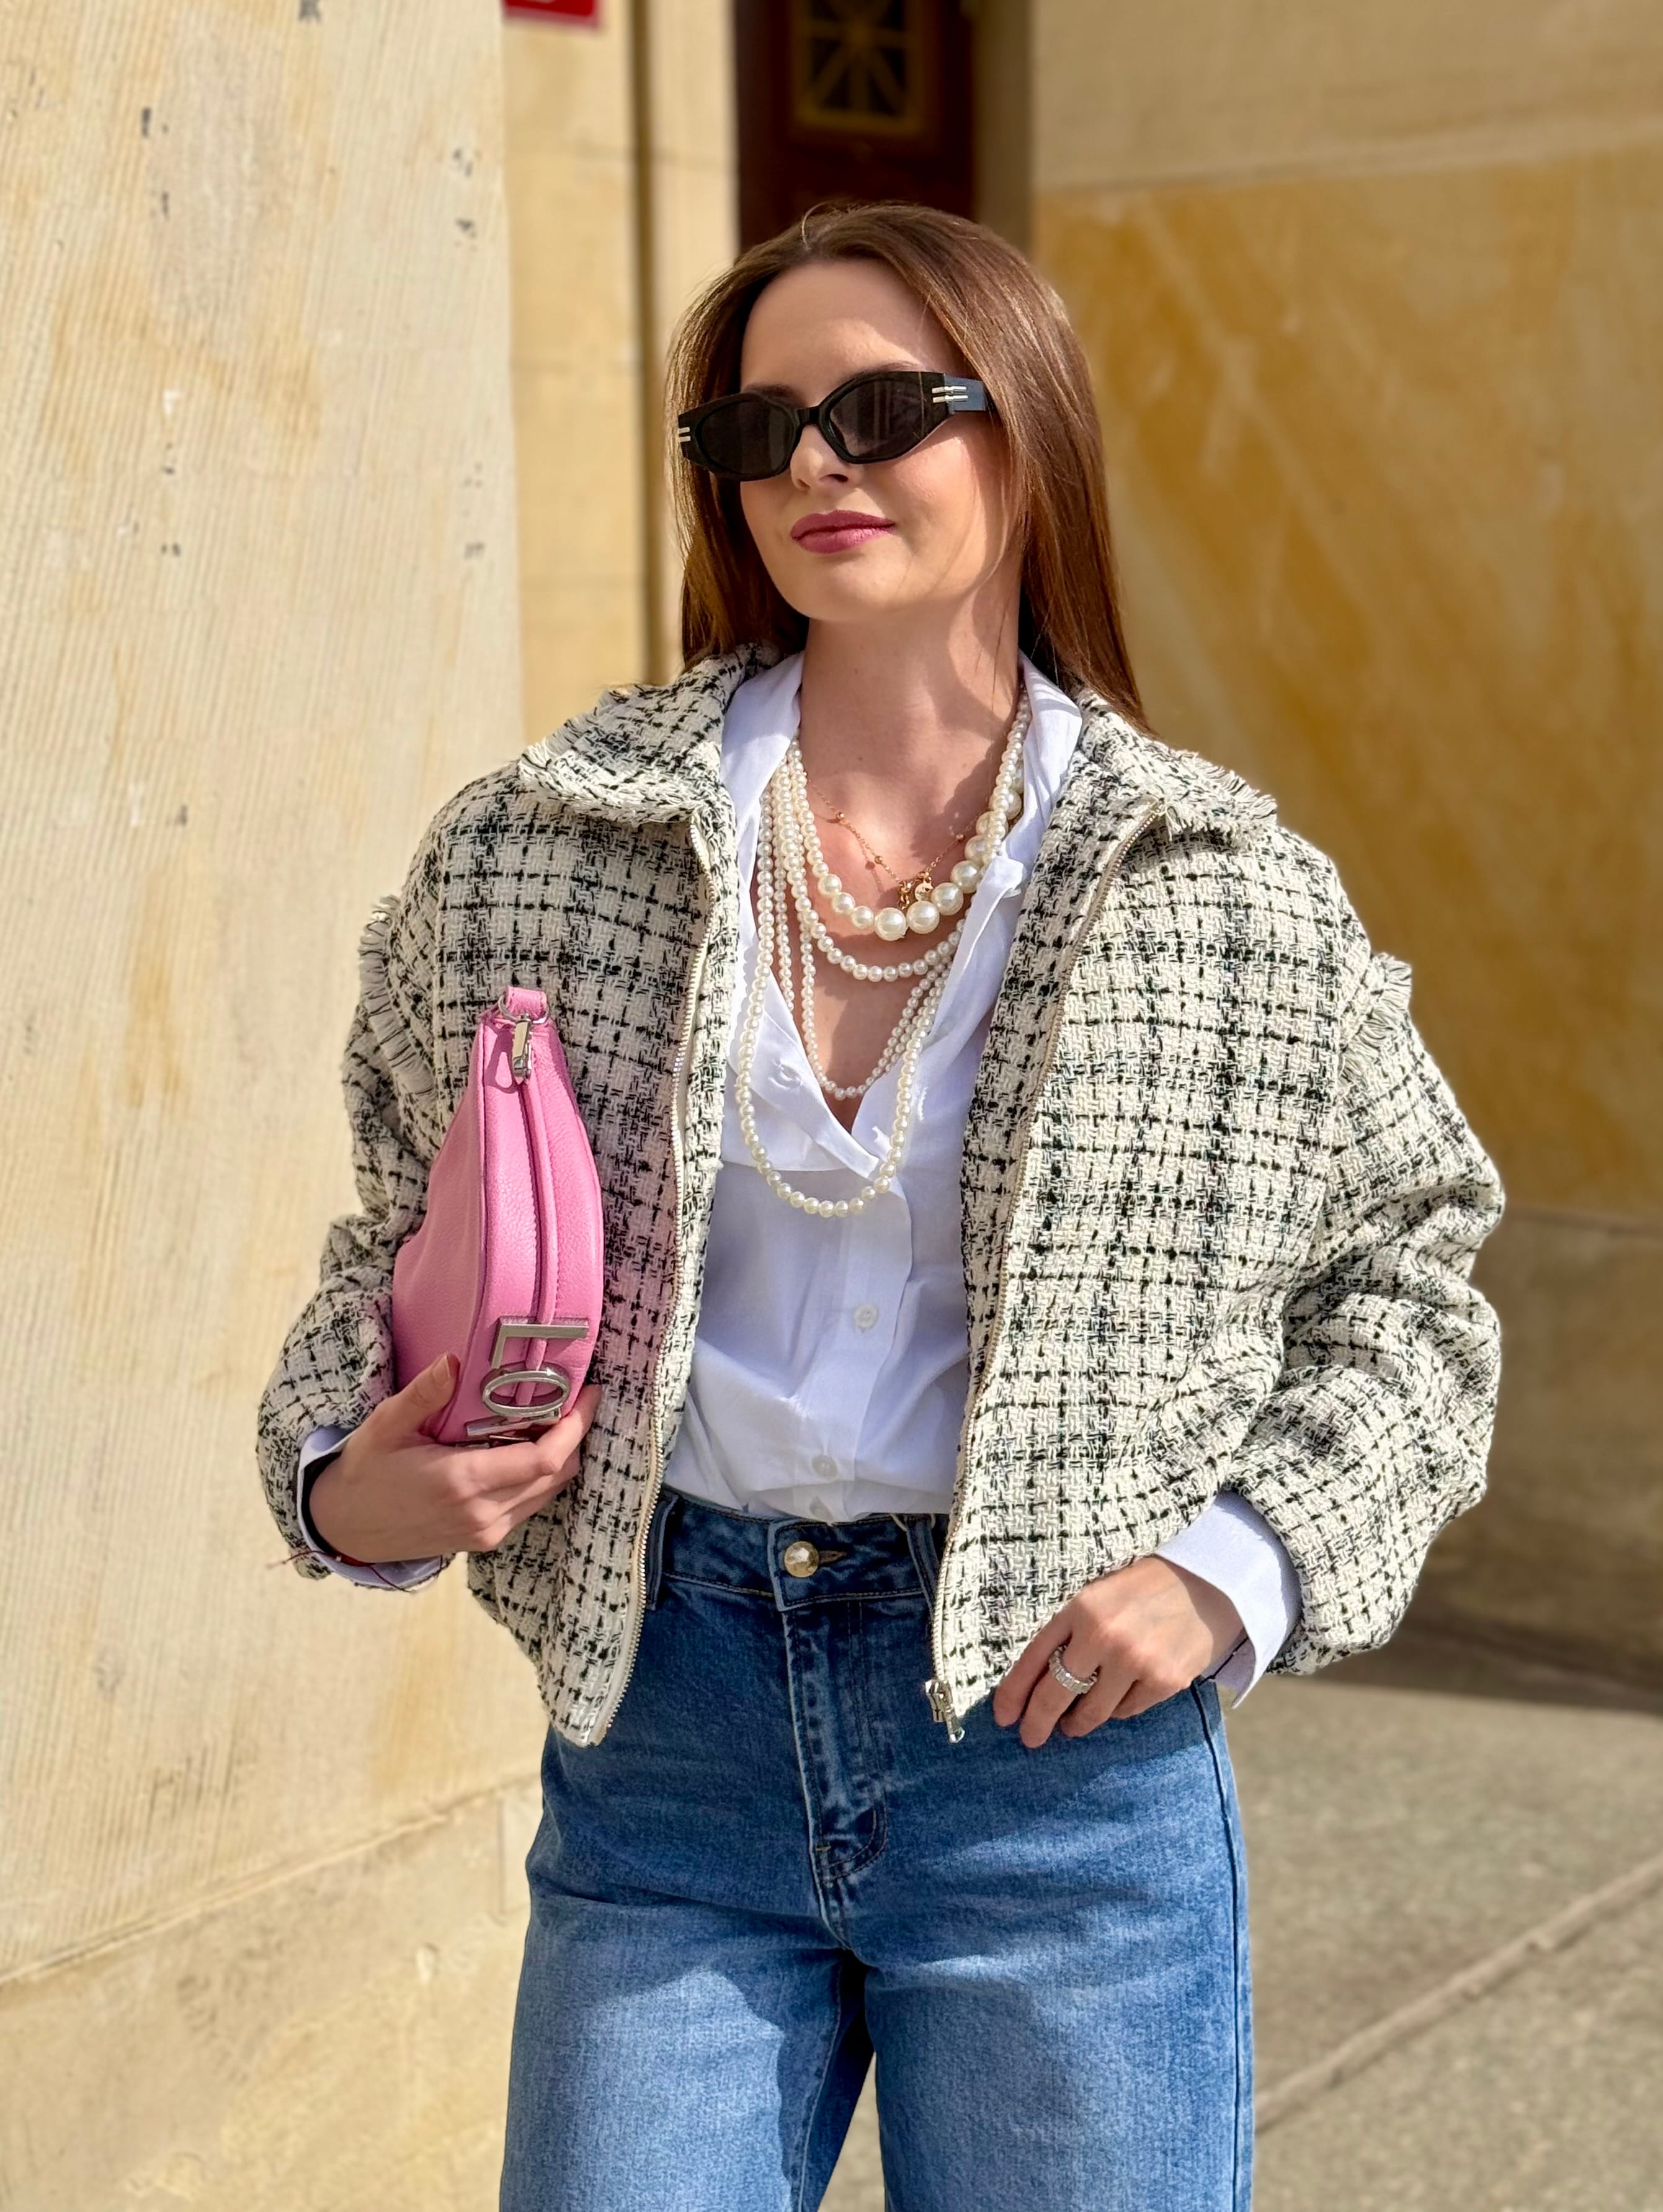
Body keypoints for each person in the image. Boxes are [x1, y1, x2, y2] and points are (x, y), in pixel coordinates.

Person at [258, 202, 1503, 2212]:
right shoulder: (543, 839)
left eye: (882, 409)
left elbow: (1412, 1285)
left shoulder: (1215, 884)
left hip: (1056, 1770)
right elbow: (390, 1227)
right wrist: (341, 1481)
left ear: (1026, 431)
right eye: (757, 430)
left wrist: (1238, 1566)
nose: (814, 466)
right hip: (667, 1750)